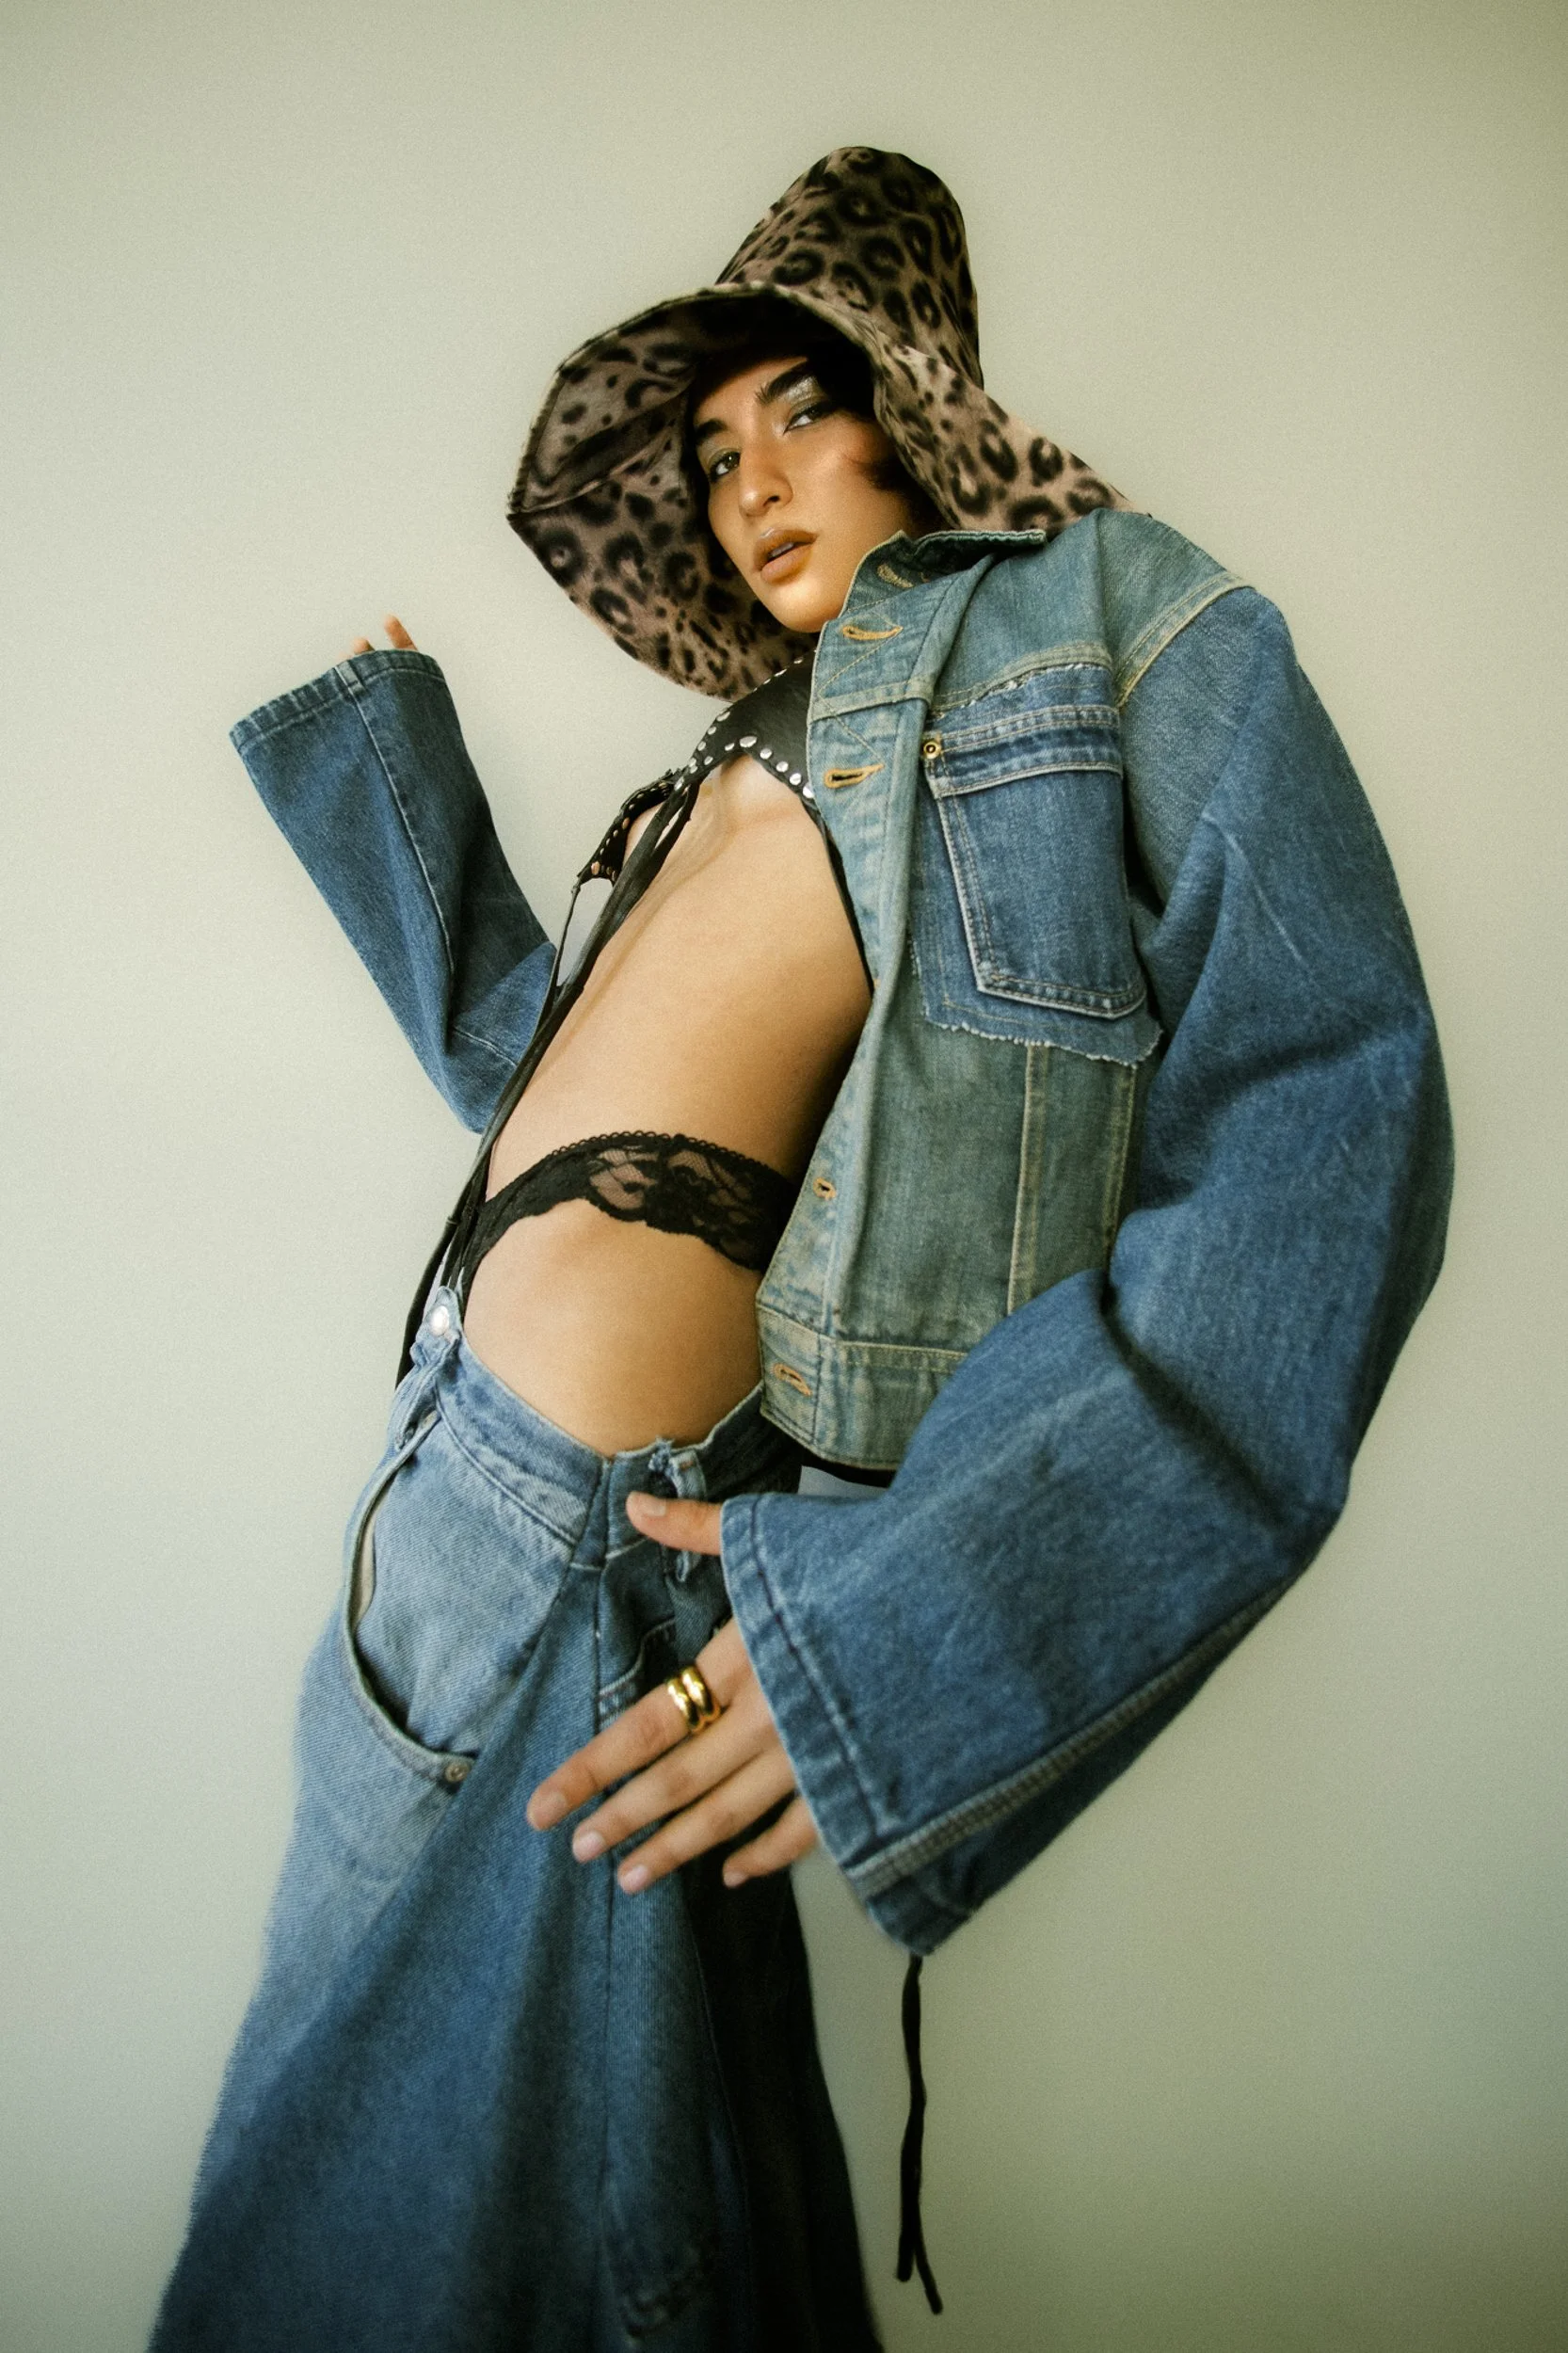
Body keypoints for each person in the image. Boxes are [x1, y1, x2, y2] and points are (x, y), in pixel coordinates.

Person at [150, 148, 1452, 2352]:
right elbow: (581, 1114)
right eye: (710, 448)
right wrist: (408, 811)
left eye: (790, 405)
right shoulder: (720, 762)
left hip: (602, 1571)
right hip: (427, 1530)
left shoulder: (1113, 618)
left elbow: (1326, 1124)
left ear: (908, 400)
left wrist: (917, 1622)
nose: (747, 481)